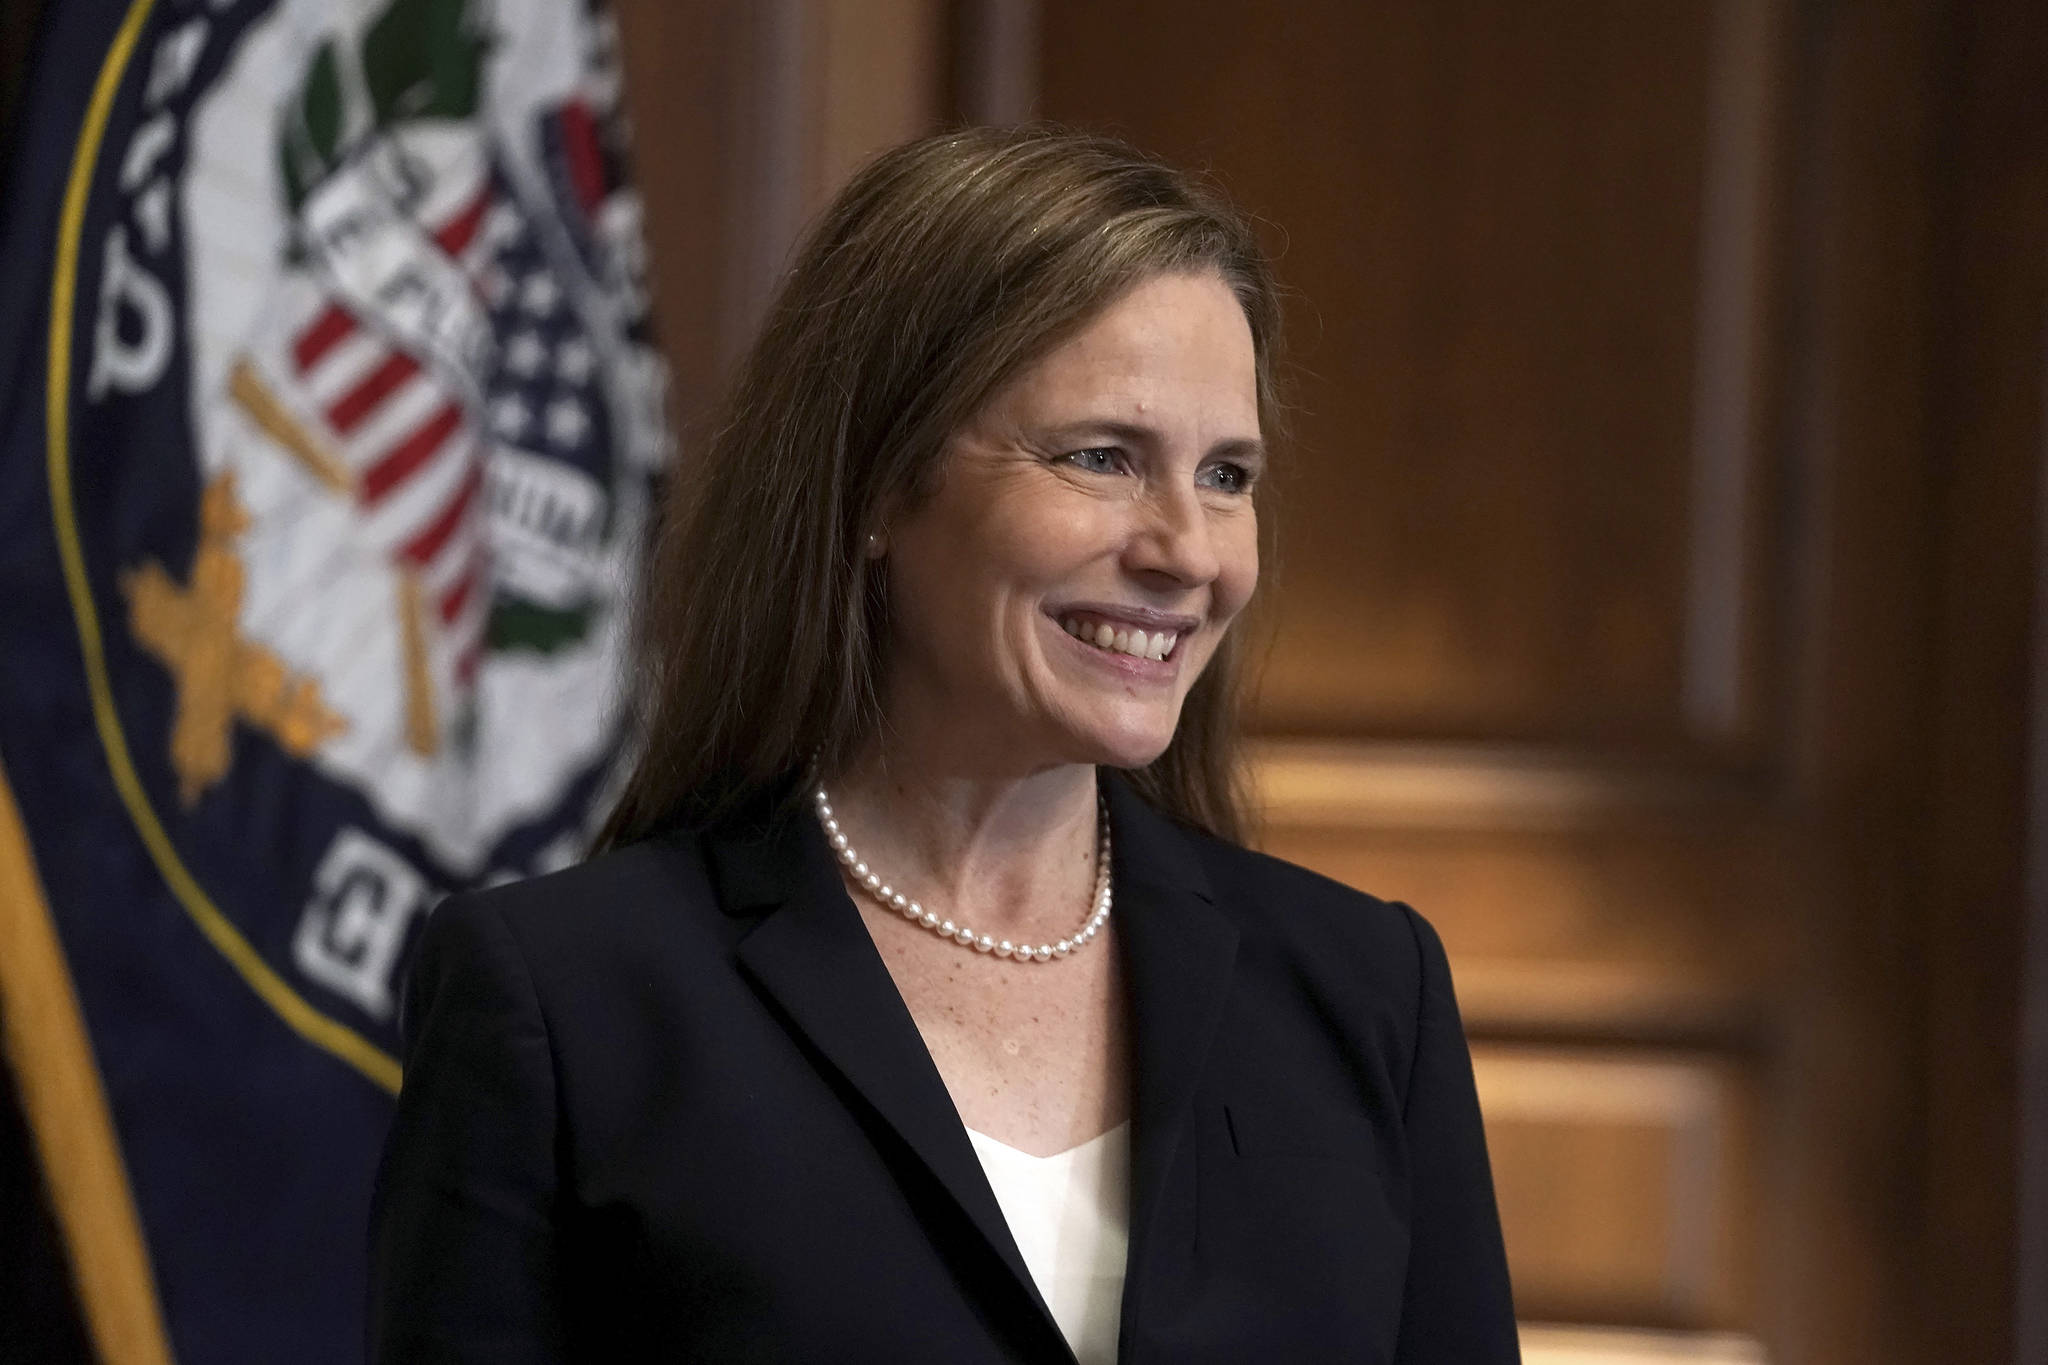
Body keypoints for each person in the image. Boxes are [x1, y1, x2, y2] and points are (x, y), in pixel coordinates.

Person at [368, 125, 1519, 1364]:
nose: (1188, 551)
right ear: (874, 484)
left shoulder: (1364, 992)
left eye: (1227, 475)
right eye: (1100, 458)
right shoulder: (562, 1000)